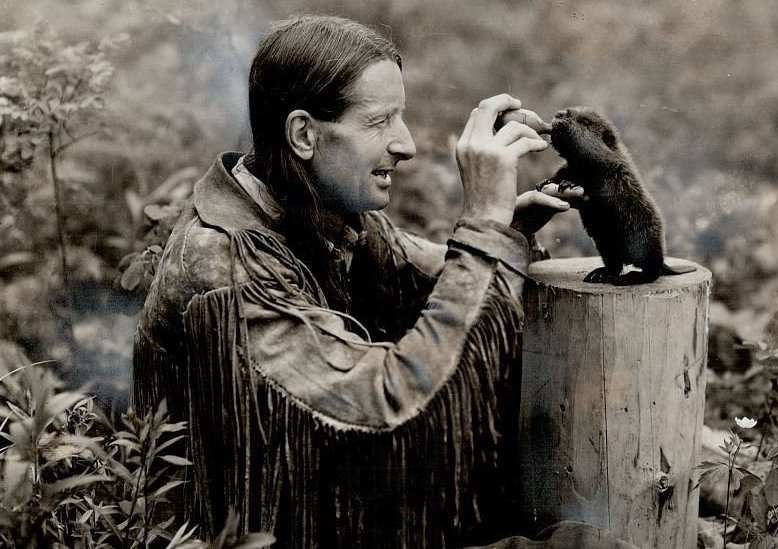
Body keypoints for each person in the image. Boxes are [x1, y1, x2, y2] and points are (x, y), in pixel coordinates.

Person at [133, 14, 633, 549]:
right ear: (304, 134)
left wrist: (505, 231)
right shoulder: (226, 267)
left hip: (347, 513)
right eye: (379, 121)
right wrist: (484, 228)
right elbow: (392, 413)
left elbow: (427, 280)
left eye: (401, 116)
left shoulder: (322, 211)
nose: (406, 144)